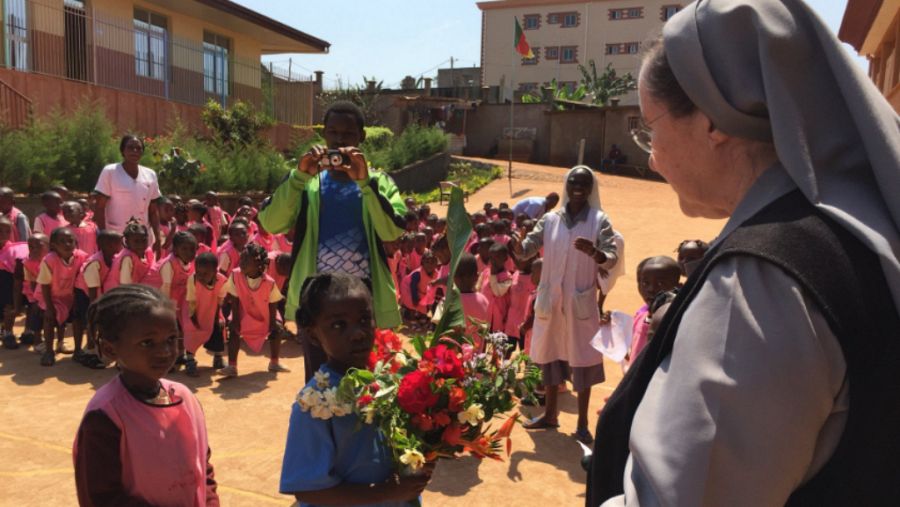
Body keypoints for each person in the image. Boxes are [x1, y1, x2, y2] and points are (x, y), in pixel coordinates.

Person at [587, 1, 900, 505]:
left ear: (712, 119)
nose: (652, 157)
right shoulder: (855, 233)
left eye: (650, 128)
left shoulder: (758, 284)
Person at [258, 101, 407, 382]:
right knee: (320, 384)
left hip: (364, 303)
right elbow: (271, 223)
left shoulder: (379, 182)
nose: (339, 140)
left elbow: (392, 232)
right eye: (333, 132)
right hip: (317, 302)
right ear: (323, 134)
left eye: (348, 134)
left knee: (368, 384)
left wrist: (365, 183)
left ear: (362, 137)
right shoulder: (305, 182)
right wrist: (298, 177)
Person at [280, 272, 433, 505]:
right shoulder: (314, 405)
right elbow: (307, 490)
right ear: (313, 334)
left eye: (364, 319)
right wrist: (387, 492)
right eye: (338, 325)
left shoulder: (387, 381)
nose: (358, 333)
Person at [74, 285, 219, 506]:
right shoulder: (105, 416)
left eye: (171, 338)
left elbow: (203, 467)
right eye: (147, 343)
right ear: (111, 349)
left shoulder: (185, 399)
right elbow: (102, 498)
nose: (165, 352)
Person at [512, 166, 619, 445]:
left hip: (579, 302)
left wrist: (595, 253)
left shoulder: (599, 220)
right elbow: (529, 248)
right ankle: (550, 415)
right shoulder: (550, 219)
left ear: (591, 188)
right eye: (573, 182)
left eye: (584, 183)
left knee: (582, 360)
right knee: (550, 356)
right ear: (566, 186)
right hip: (551, 300)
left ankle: (582, 424)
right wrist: (519, 248)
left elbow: (611, 257)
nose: (578, 188)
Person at [218, 243, 289, 377]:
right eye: (242, 259)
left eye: (246, 260)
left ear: (259, 266)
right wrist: (236, 320)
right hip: (243, 313)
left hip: (265, 314)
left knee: (277, 328)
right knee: (233, 329)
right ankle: (232, 366)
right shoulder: (235, 275)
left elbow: (273, 303)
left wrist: (272, 323)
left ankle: (274, 362)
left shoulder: (269, 282)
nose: (242, 263)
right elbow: (234, 299)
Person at [92, 135, 163, 252]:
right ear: (122, 151)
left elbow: (153, 210)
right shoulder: (110, 172)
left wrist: (158, 237)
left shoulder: (150, 175)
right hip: (115, 236)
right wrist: (104, 236)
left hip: (142, 238)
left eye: (138, 148)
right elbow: (100, 207)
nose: (135, 151)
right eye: (130, 148)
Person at [37, 228, 88, 366]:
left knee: (78, 318)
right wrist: (49, 307)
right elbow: (45, 285)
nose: (67, 244)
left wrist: (77, 300)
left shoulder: (82, 257)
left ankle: (78, 351)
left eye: (70, 241)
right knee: (49, 319)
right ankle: (49, 351)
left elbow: (81, 279)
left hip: (71, 295)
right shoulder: (49, 260)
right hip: (51, 296)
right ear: (53, 245)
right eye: (62, 241)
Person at [73, 230, 122, 369]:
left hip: (97, 292)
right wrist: (94, 308)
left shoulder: (113, 258)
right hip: (85, 293)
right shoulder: (94, 263)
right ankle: (89, 352)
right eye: (117, 243)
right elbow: (92, 290)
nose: (120, 246)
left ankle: (96, 349)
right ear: (105, 245)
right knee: (90, 321)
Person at [626, 256, 681, 367]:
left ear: (678, 287)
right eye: (645, 283)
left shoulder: (676, 321)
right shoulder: (641, 314)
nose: (651, 289)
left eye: (661, 283)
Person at [183, 252, 228, 375]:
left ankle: (218, 358)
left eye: (205, 274)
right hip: (193, 310)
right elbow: (191, 302)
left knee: (219, 327)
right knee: (192, 331)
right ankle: (190, 360)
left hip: (212, 310)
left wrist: (216, 318)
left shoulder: (222, 281)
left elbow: (219, 301)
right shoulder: (192, 280)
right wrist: (194, 320)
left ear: (215, 271)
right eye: (199, 273)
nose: (201, 277)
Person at [107, 221, 154, 289]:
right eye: (136, 241)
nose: (141, 244)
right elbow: (125, 286)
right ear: (127, 242)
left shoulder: (147, 253)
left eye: (144, 240)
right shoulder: (127, 259)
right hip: (118, 292)